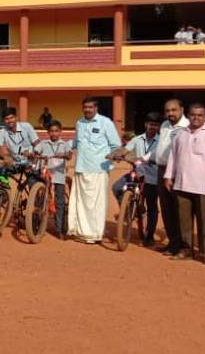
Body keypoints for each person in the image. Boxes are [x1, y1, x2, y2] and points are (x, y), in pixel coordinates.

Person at [163, 103, 205, 264]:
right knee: (184, 221)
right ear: (188, 116)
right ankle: (186, 250)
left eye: (200, 115)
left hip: (204, 186)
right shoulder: (180, 134)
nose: (196, 118)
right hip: (182, 183)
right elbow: (173, 157)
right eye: (193, 115)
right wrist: (169, 176)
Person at [68, 97, 121, 244]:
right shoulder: (79, 123)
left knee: (96, 204)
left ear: (96, 108)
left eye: (90, 107)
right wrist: (62, 147)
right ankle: (81, 232)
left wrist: (114, 156)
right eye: (85, 107)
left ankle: (94, 235)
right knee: (81, 202)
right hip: (81, 167)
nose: (87, 110)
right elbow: (75, 143)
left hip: (99, 169)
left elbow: (116, 145)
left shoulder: (106, 122)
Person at [110, 112, 160, 246]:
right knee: (117, 187)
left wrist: (145, 159)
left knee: (151, 205)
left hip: (152, 176)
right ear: (145, 124)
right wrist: (115, 154)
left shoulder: (161, 141)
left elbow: (159, 155)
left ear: (158, 127)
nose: (152, 127)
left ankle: (149, 236)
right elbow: (125, 150)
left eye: (155, 125)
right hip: (137, 173)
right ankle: (126, 211)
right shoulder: (137, 139)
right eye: (150, 124)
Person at [154, 99, 190, 257]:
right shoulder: (164, 125)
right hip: (162, 170)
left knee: (180, 209)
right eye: (168, 111)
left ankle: (184, 246)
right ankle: (173, 243)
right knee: (166, 209)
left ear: (181, 110)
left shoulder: (187, 127)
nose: (170, 113)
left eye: (174, 110)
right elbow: (160, 147)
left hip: (178, 172)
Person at [35, 121, 72, 239]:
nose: (54, 133)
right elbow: (35, 151)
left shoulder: (64, 144)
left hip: (59, 176)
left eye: (56, 131)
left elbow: (70, 155)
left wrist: (64, 155)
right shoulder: (43, 143)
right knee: (41, 199)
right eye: (51, 131)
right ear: (48, 132)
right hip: (45, 174)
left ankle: (59, 228)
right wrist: (34, 155)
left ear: (60, 132)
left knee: (59, 201)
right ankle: (37, 223)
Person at [0, 107, 38, 180]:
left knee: (33, 182)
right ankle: (4, 187)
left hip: (30, 163)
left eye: (12, 117)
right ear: (4, 120)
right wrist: (5, 156)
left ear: (16, 118)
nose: (9, 121)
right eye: (6, 119)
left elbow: (37, 144)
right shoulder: (3, 132)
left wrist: (34, 157)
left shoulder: (26, 127)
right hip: (16, 164)